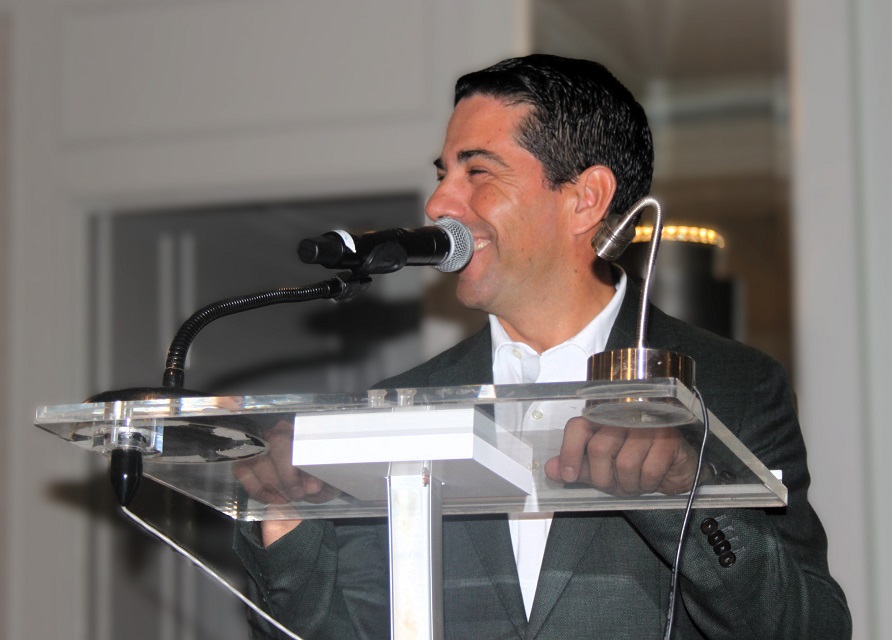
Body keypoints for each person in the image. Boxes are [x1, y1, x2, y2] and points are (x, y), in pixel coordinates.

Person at [234, 54, 851, 639]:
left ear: (586, 199)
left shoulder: (736, 385)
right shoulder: (398, 408)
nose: (439, 203)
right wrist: (285, 521)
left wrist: (688, 494)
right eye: (443, 174)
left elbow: (812, 629)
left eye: (477, 171)